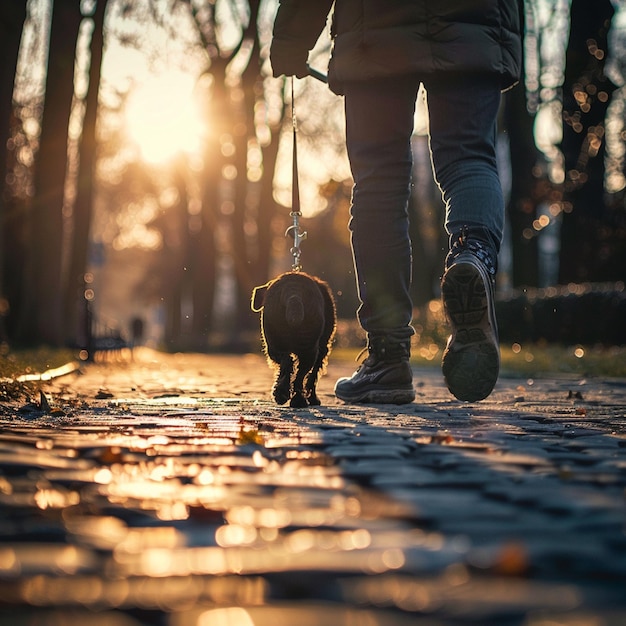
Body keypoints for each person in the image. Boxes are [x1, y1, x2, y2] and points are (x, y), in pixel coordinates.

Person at [270, 1, 522, 404]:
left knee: (380, 184)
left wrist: (292, 38)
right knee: (470, 158)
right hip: (472, 19)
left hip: (377, 26)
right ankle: (472, 254)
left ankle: (388, 357)